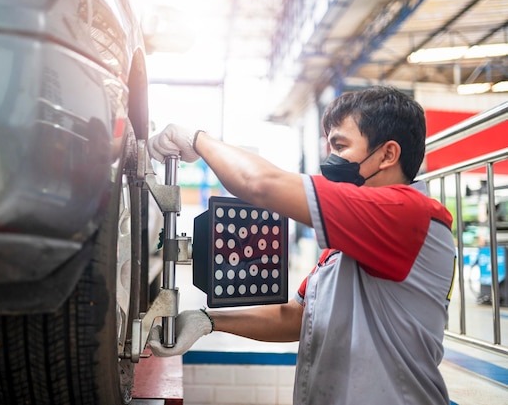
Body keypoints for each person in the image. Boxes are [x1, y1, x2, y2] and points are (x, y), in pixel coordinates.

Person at [146, 85, 456, 405]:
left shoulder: (407, 215)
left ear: (388, 154)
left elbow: (260, 184)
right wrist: (209, 321)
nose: (330, 159)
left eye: (340, 146)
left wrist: (196, 139)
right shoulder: (348, 243)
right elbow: (297, 316)